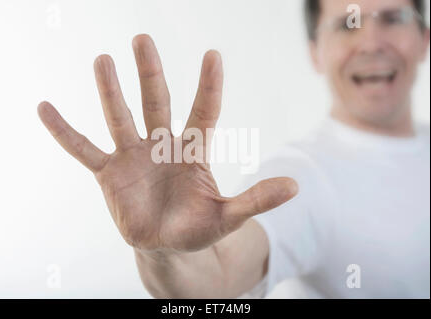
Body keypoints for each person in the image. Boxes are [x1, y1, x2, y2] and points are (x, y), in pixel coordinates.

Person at [37, 0, 430, 298]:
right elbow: (218, 278)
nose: (371, 43)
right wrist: (168, 254)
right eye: (348, 24)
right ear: (315, 52)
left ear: (424, 38)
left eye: (394, 19)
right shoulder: (306, 174)